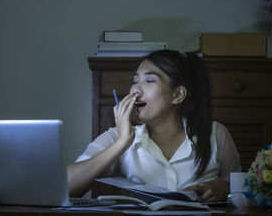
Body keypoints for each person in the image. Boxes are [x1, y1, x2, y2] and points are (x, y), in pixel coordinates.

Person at [67, 49, 241, 202]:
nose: (136, 90)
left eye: (149, 81)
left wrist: (224, 189)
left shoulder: (216, 134)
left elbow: (243, 190)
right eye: (135, 81)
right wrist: (121, 143)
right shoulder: (116, 136)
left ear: (178, 95)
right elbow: (66, 186)